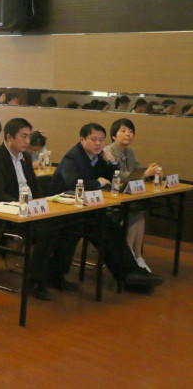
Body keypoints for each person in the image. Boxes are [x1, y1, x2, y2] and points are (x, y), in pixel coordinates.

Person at [50, 123, 163, 293]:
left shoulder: (100, 156)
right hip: (63, 210)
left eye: (101, 140)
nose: (98, 144)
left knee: (113, 230)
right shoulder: (72, 157)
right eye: (93, 139)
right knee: (96, 229)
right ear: (82, 140)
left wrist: (113, 162)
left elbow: (111, 179)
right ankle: (129, 275)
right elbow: (72, 183)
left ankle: (131, 276)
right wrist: (97, 183)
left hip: (86, 209)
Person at [0, 118, 78, 300]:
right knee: (48, 231)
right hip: (9, 215)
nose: (27, 141)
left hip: (32, 211)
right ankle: (35, 281)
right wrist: (27, 207)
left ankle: (55, 275)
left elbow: (35, 186)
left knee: (70, 226)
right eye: (23, 136)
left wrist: (40, 204)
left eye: (29, 137)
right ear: (9, 137)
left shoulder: (25, 157)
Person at [104, 118, 160, 273]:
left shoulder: (129, 152)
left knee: (139, 213)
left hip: (125, 196)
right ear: (114, 136)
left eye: (131, 131)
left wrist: (153, 171)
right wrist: (145, 174)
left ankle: (137, 256)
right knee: (134, 214)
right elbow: (118, 176)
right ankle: (129, 257)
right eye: (123, 131)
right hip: (110, 197)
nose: (128, 134)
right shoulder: (108, 151)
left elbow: (139, 169)